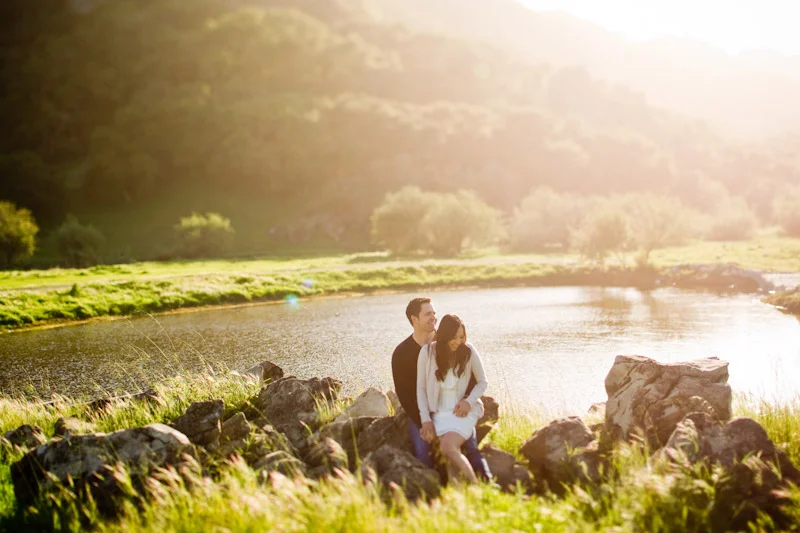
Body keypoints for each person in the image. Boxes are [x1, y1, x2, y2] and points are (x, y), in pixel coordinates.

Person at [391, 297, 491, 480]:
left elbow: (470, 378)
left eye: (434, 314)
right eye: (428, 314)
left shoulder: (450, 339)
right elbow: (406, 395)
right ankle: (434, 491)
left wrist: (467, 402)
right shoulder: (402, 353)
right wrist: (424, 421)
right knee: (423, 450)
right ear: (414, 319)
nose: (433, 318)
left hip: (455, 407)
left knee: (470, 444)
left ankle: (485, 482)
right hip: (420, 411)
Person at [417, 314, 487, 483]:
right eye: (453, 337)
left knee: (447, 446)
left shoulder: (468, 351)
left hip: (462, 412)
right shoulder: (427, 352)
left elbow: (483, 382)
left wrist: (468, 402)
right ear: (444, 336)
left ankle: (476, 486)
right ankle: (458, 497)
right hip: (439, 414)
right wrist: (425, 419)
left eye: (461, 337)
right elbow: (420, 389)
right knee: (449, 460)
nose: (458, 341)